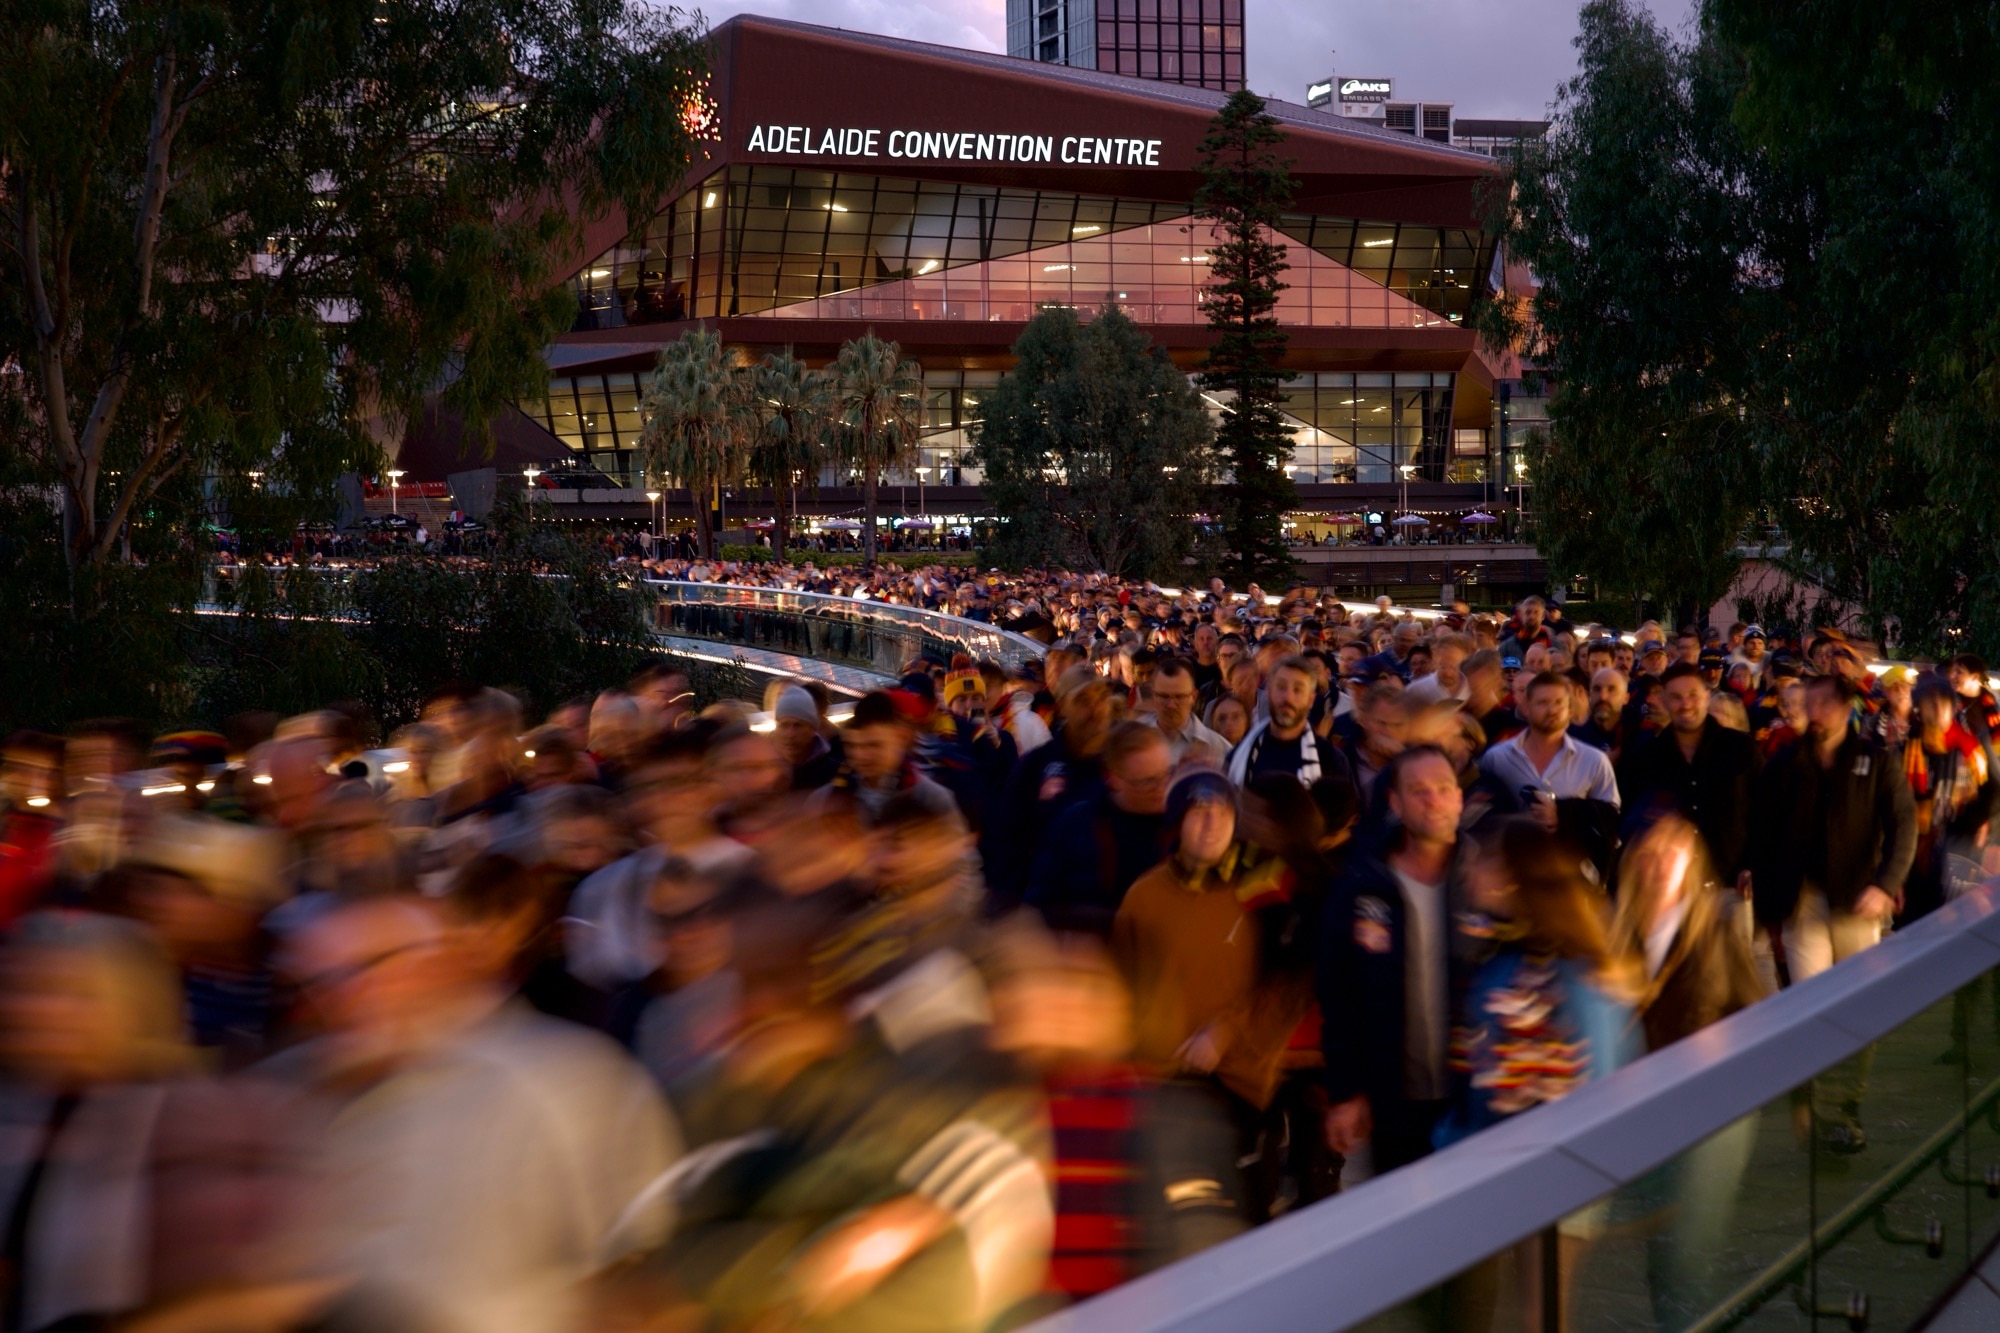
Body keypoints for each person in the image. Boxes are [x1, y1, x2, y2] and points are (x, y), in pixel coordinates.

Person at [1113, 770, 1306, 1256]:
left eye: (1222, 813)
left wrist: (1227, 1033)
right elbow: (1123, 988)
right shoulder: (1144, 897)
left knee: (1246, 1229)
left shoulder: (1264, 884)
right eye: (1199, 812)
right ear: (1177, 823)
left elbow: (1290, 981)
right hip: (1164, 1088)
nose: (1211, 823)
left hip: (1241, 1085)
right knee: (1174, 1233)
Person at [1607, 817, 1766, 1326]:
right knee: (1663, 1256)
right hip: (1642, 1115)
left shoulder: (1715, 930)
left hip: (1710, 1118)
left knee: (1686, 1259)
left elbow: (1755, 1014)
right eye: (1647, 853)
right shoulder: (1612, 933)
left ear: (1689, 861)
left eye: (1670, 852)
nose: (1657, 864)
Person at [1750, 672, 1915, 1151]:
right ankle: (1817, 1102)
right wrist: (1770, 910)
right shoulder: (1784, 765)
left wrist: (1886, 885)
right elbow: (1763, 840)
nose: (1815, 711)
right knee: (1814, 1003)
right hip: (1803, 902)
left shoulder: (1875, 761)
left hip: (1857, 901)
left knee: (1858, 1008)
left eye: (1824, 703)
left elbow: (1902, 826)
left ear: (1846, 709)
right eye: (1810, 702)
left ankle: (1847, 1104)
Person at [1319, 747, 1481, 1177]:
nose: (1433, 800)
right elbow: (1339, 994)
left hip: (1473, 1103)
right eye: (1419, 791)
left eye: (1444, 789)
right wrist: (1345, 1092)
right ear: (1396, 802)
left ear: (1460, 799)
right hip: (1391, 1105)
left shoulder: (1488, 880)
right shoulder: (1363, 885)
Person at [1618, 663, 1759, 893]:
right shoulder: (1645, 760)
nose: (1685, 705)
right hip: (1671, 893)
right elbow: (1631, 827)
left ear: (1706, 696)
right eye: (1676, 697)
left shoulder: (1741, 749)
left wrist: (1755, 867)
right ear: (1664, 701)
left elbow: (1767, 813)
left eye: (1693, 695)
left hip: (1734, 889)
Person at [1029, 722, 1174, 936]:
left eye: (1167, 774)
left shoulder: (1183, 824)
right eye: (1148, 782)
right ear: (1113, 779)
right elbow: (1040, 905)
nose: (1162, 788)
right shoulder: (1075, 825)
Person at [1477, 671, 1621, 874]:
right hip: (1511, 874)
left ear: (1569, 709)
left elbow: (1609, 821)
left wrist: (1563, 814)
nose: (1552, 710)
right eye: (1543, 702)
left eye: (1558, 703)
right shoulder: (1497, 759)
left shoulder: (1594, 761)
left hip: (1570, 878)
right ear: (1526, 708)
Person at [1226, 656, 1353, 789]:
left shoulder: (1330, 759)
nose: (1288, 697)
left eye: (1297, 689)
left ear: (1310, 700)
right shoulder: (1242, 754)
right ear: (1269, 692)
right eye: (1281, 687)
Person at [1144, 658, 1229, 767]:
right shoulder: (1132, 740)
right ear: (1153, 696)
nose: (1171, 705)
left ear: (1193, 697)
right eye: (1164, 696)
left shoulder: (1218, 748)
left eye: (1179, 697)